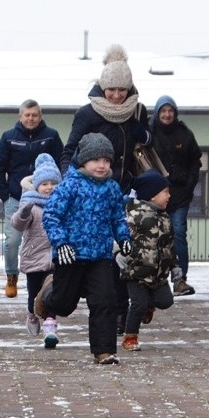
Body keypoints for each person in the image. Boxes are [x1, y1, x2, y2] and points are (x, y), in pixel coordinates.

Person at [61, 44, 152, 332]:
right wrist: (70, 183)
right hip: (91, 192)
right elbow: (70, 150)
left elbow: (148, 146)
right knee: (101, 255)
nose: (115, 96)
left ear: (129, 88)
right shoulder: (88, 113)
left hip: (125, 190)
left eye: (121, 90)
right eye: (110, 89)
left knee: (123, 255)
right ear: (102, 87)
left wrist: (143, 134)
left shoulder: (137, 111)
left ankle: (119, 314)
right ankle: (61, 296)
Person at [35, 133, 132, 364]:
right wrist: (61, 242)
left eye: (107, 160)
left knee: (105, 301)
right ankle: (47, 295)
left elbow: (118, 218)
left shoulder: (112, 188)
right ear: (84, 161)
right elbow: (51, 216)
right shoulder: (70, 185)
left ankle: (104, 352)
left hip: (100, 255)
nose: (102, 165)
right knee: (64, 304)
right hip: (71, 255)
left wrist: (124, 237)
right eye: (96, 160)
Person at [0, 99, 63, 299]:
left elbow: (61, 162)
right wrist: (5, 195)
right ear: (20, 116)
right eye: (27, 115)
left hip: (47, 197)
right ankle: (11, 276)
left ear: (40, 116)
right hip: (16, 196)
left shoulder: (51, 136)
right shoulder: (8, 138)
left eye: (35, 115)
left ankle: (49, 276)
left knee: (45, 238)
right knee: (12, 240)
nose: (31, 118)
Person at [116, 170, 178, 352]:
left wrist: (175, 267)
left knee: (166, 301)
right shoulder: (134, 215)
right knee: (138, 304)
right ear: (152, 194)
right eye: (165, 192)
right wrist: (118, 252)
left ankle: (149, 305)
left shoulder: (166, 218)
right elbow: (119, 236)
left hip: (158, 273)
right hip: (135, 270)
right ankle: (130, 337)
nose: (169, 196)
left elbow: (170, 245)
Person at [150, 95, 202, 296]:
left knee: (178, 234)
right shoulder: (149, 133)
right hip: (153, 197)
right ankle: (154, 280)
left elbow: (196, 161)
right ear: (157, 113)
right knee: (153, 236)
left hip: (179, 195)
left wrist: (189, 185)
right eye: (163, 110)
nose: (167, 114)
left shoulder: (184, 134)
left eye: (170, 110)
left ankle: (180, 280)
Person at [11, 153, 62, 338]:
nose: (49, 188)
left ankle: (50, 327)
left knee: (52, 293)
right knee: (34, 293)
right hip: (34, 257)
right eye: (44, 184)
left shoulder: (63, 204)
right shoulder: (31, 204)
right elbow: (18, 224)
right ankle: (32, 315)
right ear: (37, 186)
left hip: (56, 258)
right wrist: (23, 213)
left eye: (53, 183)